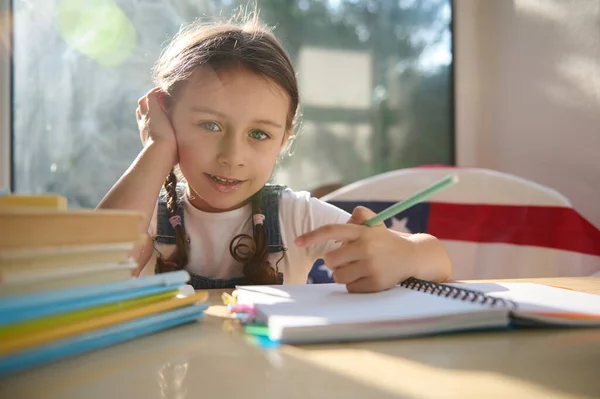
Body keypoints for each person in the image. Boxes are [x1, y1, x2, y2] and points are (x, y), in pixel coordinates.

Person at [97, 11, 451, 293]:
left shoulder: (293, 216)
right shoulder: (142, 214)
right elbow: (94, 272)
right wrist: (158, 148)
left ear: (284, 138)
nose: (232, 156)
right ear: (166, 116)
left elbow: (437, 257)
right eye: (211, 126)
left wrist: (401, 255)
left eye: (258, 133)